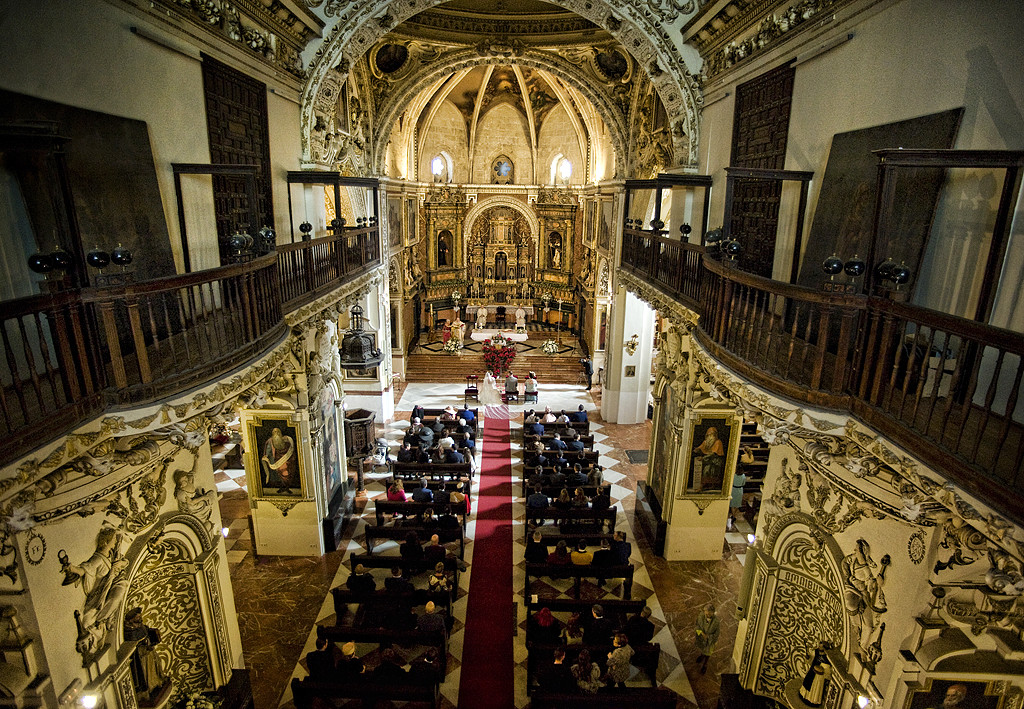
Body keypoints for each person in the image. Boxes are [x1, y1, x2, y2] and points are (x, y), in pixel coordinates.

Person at [261, 426, 296, 493]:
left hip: (287, 461)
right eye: (274, 432)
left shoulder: (287, 439)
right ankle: (282, 487)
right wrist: (266, 457)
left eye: (277, 431)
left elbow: (291, 450)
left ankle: (287, 487)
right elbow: (268, 451)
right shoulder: (270, 441)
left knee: (288, 473)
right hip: (277, 462)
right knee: (280, 475)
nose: (276, 433)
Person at [693, 426, 726, 492]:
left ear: (714, 435)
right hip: (708, 460)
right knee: (706, 471)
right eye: (708, 435)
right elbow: (701, 447)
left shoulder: (718, 442)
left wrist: (703, 458)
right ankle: (707, 486)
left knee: (707, 471)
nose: (709, 436)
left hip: (715, 461)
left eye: (711, 435)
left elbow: (713, 454)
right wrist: (696, 449)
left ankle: (703, 487)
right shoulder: (706, 442)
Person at [799, 641, 833, 706]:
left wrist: (823, 670)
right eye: (819, 646)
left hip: (819, 676)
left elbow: (829, 670)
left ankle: (812, 700)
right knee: (807, 682)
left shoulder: (827, 658)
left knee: (815, 688)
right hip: (812, 670)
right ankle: (804, 695)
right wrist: (808, 658)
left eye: (821, 646)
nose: (819, 647)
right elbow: (811, 660)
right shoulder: (816, 652)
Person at [695, 603, 720, 673]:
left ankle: (705, 664)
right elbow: (697, 626)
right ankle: (701, 655)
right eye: (706, 614)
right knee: (702, 648)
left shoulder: (716, 622)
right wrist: (702, 633)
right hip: (701, 638)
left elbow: (716, 634)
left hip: (710, 641)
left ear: (713, 613)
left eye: (709, 614)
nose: (707, 615)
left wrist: (708, 637)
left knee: (708, 653)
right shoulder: (701, 616)